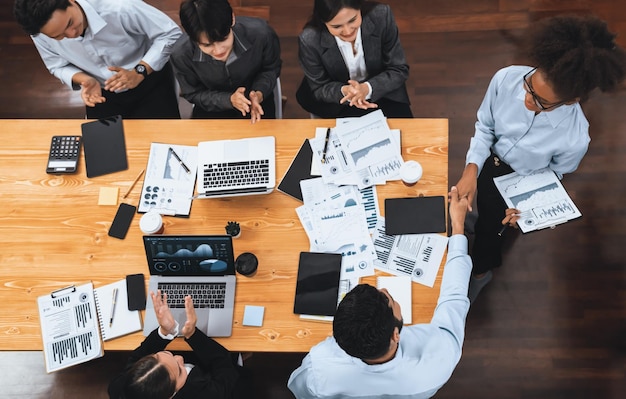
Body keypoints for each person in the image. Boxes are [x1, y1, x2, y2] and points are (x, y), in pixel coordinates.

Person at [454, 15, 626, 303]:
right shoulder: (507, 78)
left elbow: (553, 177)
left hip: (518, 185)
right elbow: (485, 126)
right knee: (478, 208)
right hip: (488, 165)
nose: (527, 100)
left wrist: (525, 209)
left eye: (541, 102)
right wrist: (471, 168)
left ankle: (481, 274)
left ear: (571, 101)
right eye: (530, 86)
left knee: (491, 237)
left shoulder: (575, 138)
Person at [287, 186, 472, 399]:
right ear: (395, 335)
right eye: (391, 301)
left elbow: (301, 390)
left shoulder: (320, 367)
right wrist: (458, 227)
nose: (385, 289)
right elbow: (454, 300)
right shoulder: (438, 359)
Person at [13, 0, 181, 119]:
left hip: (149, 81)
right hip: (101, 93)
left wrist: (140, 71)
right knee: (105, 154)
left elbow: (169, 33)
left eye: (70, 23)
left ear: (71, 1)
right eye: (59, 36)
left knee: (163, 141)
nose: (72, 34)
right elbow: (56, 65)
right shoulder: (40, 33)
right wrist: (85, 80)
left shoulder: (119, 6)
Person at [108, 291, 251, 399]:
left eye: (162, 355)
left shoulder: (119, 388)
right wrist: (193, 335)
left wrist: (165, 331)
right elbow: (225, 368)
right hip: (220, 372)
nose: (179, 357)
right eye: (180, 371)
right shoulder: (207, 394)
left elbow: (136, 358)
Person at [296, 0, 412, 118]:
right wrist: (345, 91)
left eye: (352, 20)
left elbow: (399, 69)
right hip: (337, 102)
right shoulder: (309, 40)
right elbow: (320, 87)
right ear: (323, 22)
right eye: (337, 26)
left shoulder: (381, 16)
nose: (348, 31)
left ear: (360, 9)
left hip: (382, 91)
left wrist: (367, 88)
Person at [170, 0, 281, 122]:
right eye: (207, 46)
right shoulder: (181, 54)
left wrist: (258, 94)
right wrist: (228, 100)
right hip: (211, 109)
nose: (218, 51)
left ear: (232, 18)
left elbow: (270, 68)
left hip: (257, 104)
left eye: (223, 39)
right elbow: (193, 93)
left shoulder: (262, 34)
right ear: (193, 38)